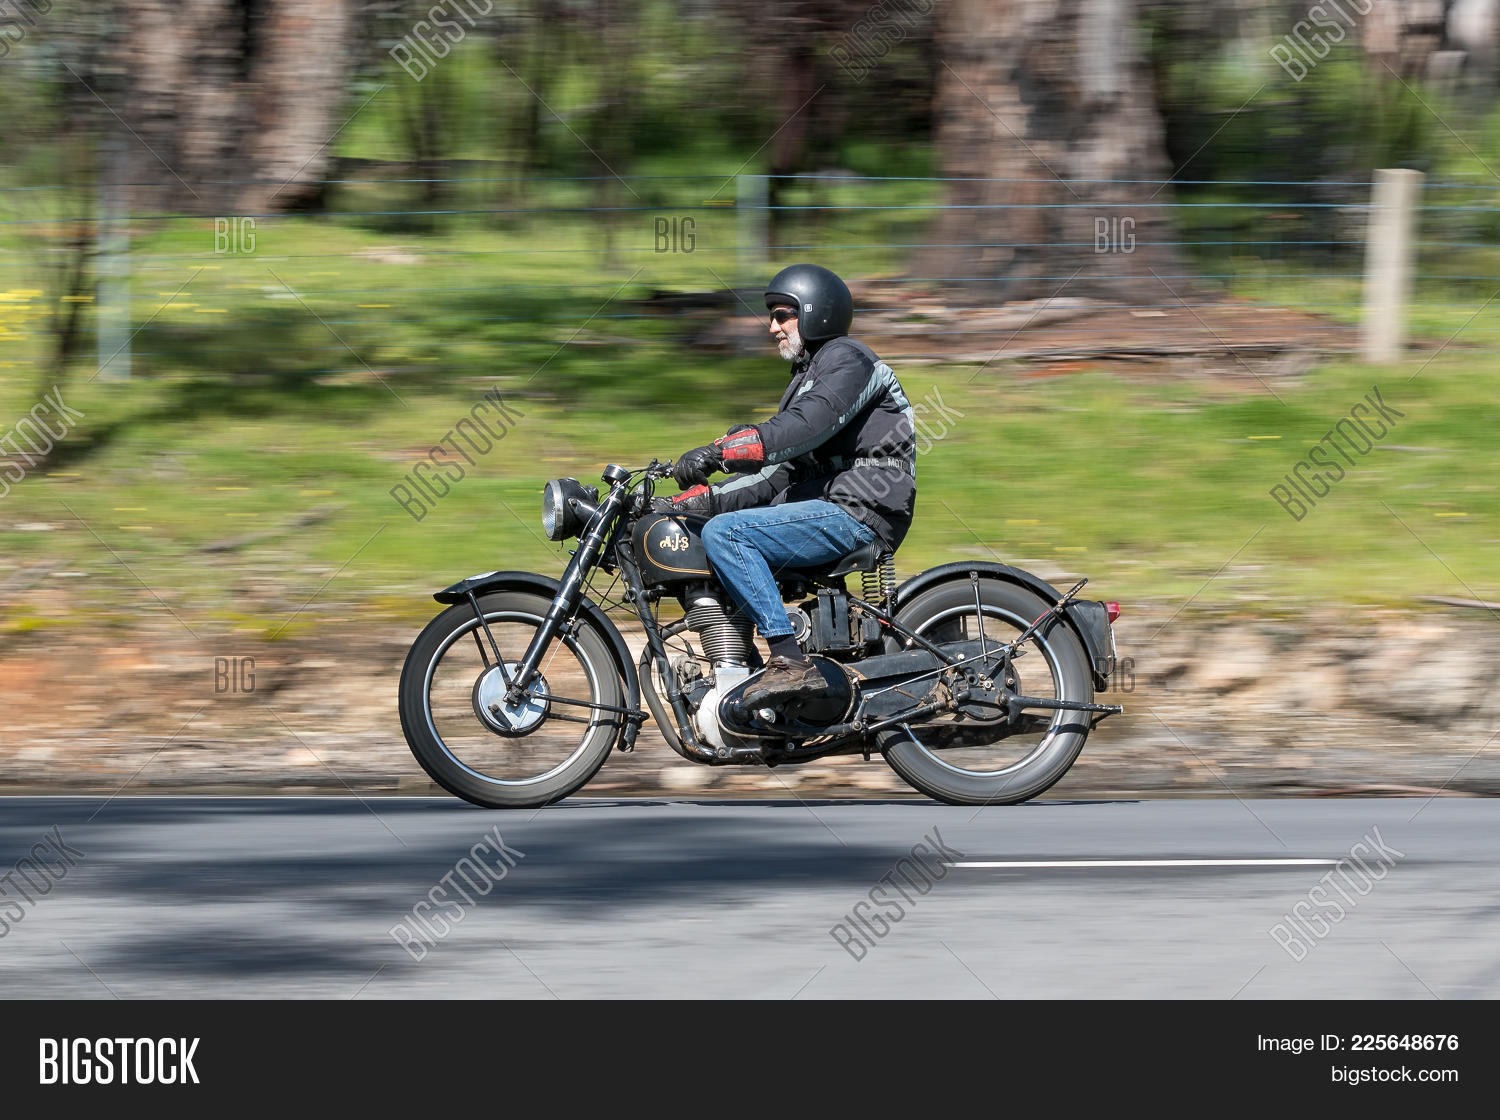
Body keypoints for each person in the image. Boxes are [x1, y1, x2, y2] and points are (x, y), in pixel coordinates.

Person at [660, 263, 916, 705]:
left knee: (730, 534)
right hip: (827, 503)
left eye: (784, 314)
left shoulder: (849, 360)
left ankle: (789, 661)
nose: (773, 326)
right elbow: (777, 473)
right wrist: (688, 504)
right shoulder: (808, 375)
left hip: (860, 507)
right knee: (713, 524)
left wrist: (722, 451)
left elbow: (803, 428)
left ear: (816, 312)